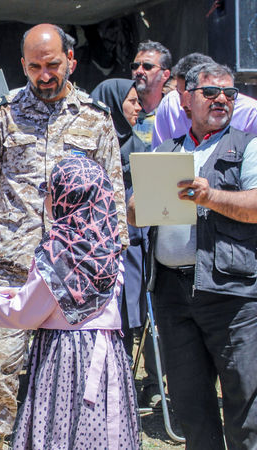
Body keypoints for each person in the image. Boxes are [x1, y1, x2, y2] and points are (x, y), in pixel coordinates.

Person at [0, 23, 128, 449]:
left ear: (70, 60)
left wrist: (113, 269)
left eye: (52, 64)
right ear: (23, 65)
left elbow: (112, 196)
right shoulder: (2, 114)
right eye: (34, 66)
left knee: (66, 383)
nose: (44, 74)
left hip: (74, 277)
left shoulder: (95, 118)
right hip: (11, 264)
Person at [0, 156, 140, 449]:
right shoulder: (107, 244)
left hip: (66, 355)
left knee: (61, 428)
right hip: (107, 351)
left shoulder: (58, 249)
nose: (46, 197)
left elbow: (26, 313)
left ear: (67, 196)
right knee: (98, 431)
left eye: (50, 190)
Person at [128, 62, 257, 449]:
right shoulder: (166, 150)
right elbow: (135, 213)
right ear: (187, 99)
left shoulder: (248, 145)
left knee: (244, 402)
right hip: (172, 294)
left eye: (230, 94)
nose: (222, 100)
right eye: (211, 93)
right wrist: (137, 204)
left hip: (230, 294)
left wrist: (210, 196)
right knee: (190, 404)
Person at [90, 78, 148, 362]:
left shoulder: (137, 144)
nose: (140, 108)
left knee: (122, 322)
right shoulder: (89, 141)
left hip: (128, 246)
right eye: (133, 101)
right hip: (89, 248)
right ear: (113, 103)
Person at [152, 52, 257, 148]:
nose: (182, 103)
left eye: (211, 92)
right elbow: (159, 158)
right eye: (180, 94)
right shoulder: (170, 104)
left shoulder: (251, 113)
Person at [130, 40, 171, 150]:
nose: (139, 71)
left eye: (147, 66)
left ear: (165, 75)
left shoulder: (171, 112)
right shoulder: (122, 109)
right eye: (135, 66)